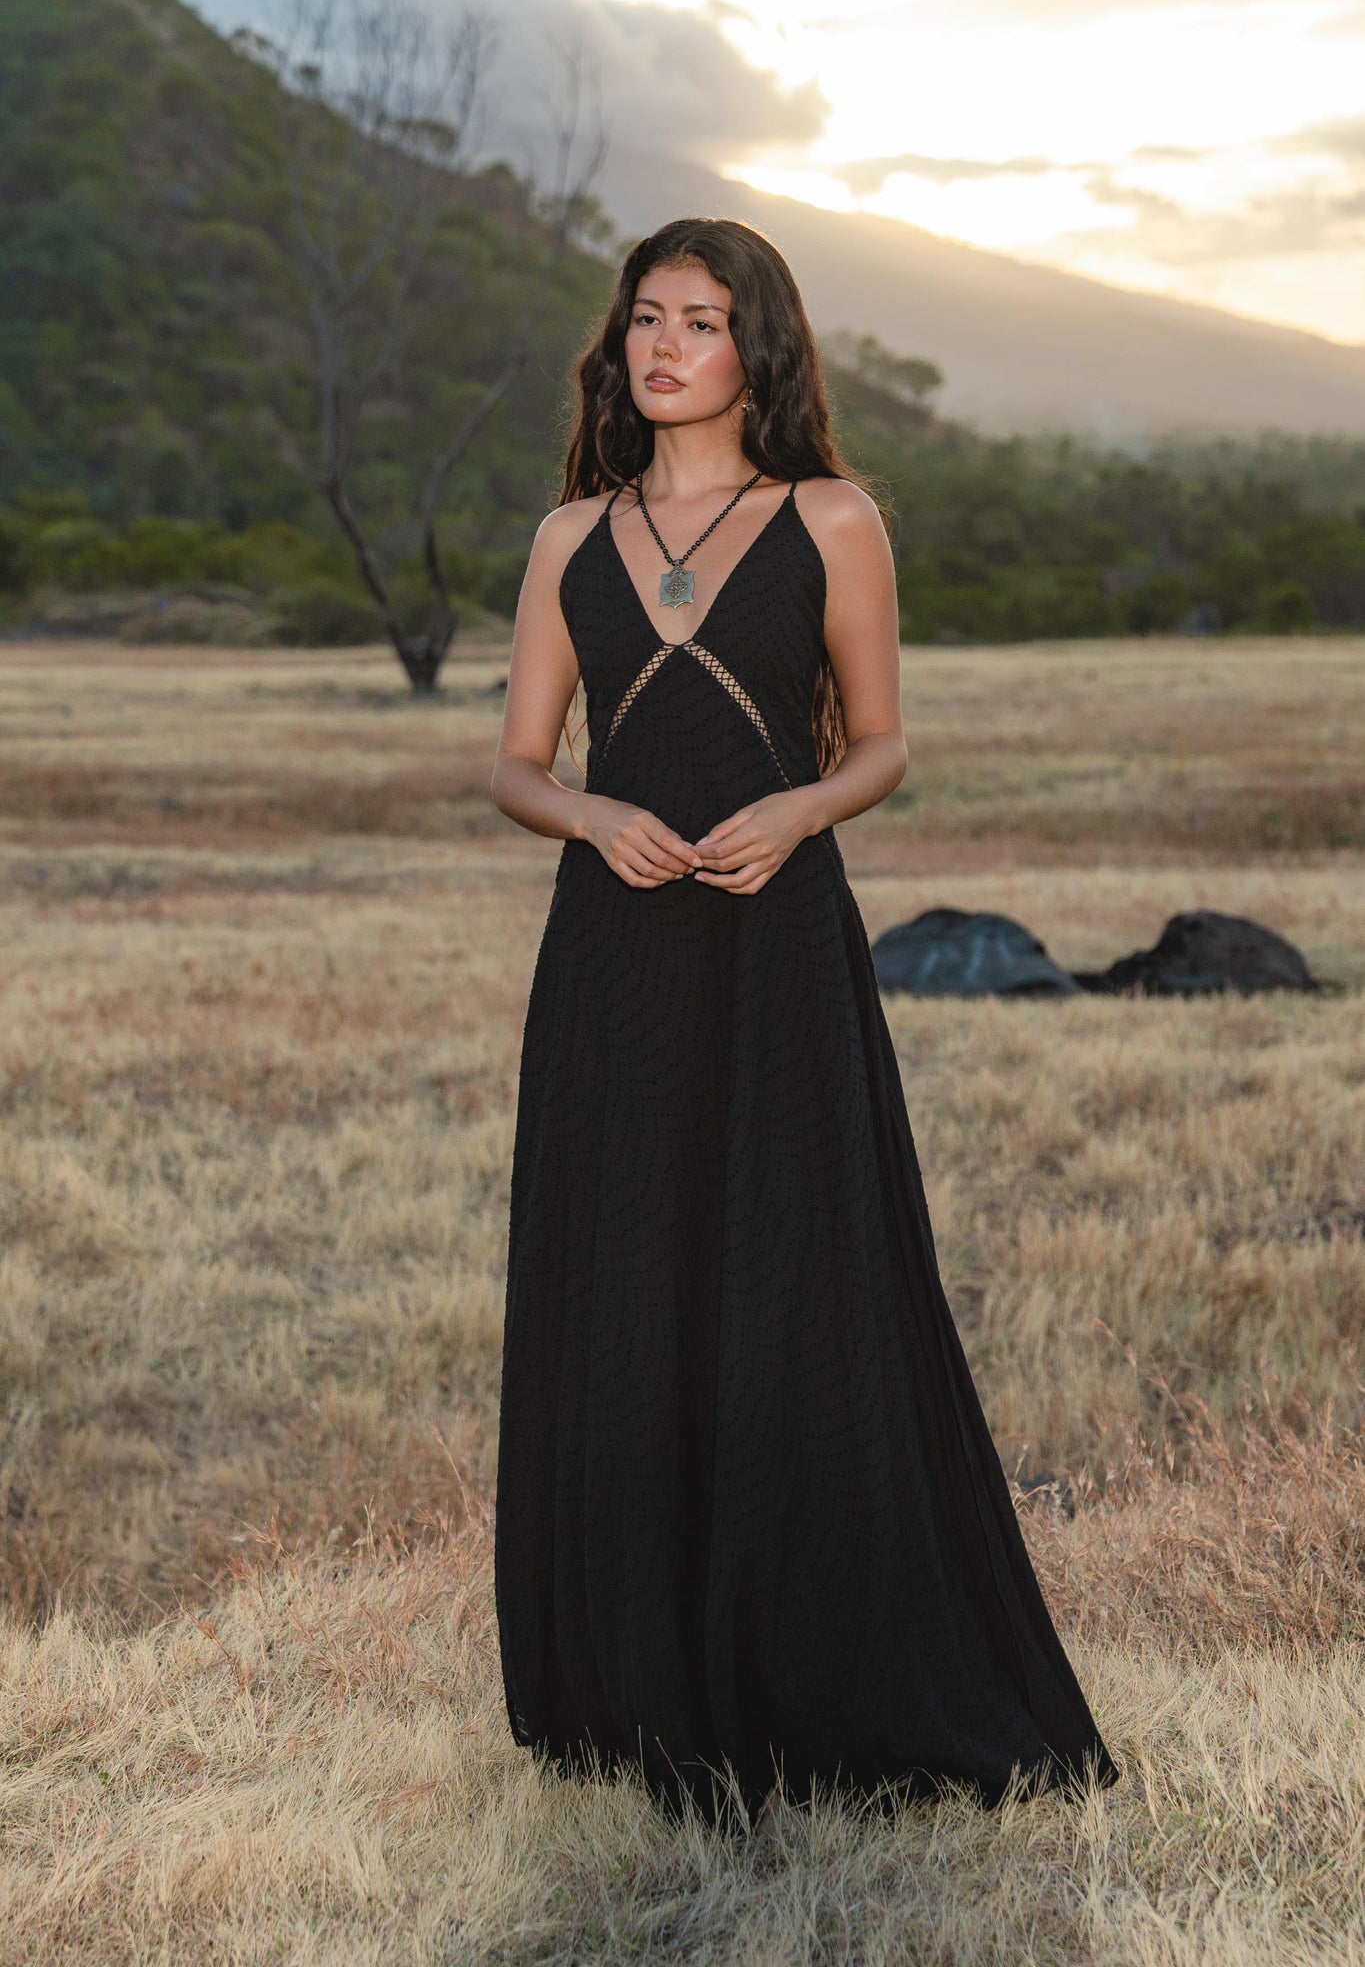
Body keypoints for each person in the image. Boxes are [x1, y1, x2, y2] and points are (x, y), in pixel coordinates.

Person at [488, 215, 1120, 1830]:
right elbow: (512, 760)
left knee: (789, 1282)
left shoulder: (834, 519)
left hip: (778, 949)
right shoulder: (567, 536)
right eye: (644, 319)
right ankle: (635, 1688)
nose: (663, 346)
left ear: (757, 348)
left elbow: (885, 742)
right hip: (614, 964)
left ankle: (818, 1668)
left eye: (700, 321)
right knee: (626, 1284)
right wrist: (584, 820)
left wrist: (794, 811)